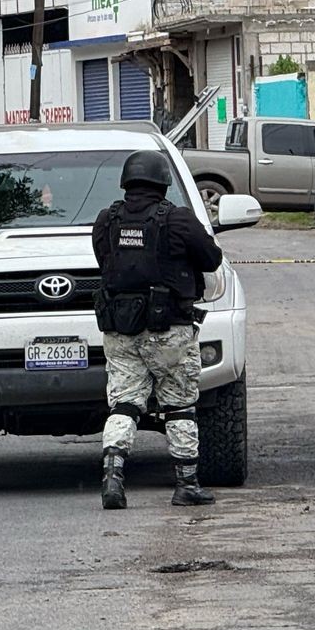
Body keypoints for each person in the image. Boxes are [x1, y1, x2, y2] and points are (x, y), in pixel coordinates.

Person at [92, 149, 224, 510]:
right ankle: (187, 484)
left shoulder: (107, 219)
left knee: (124, 402)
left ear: (126, 182)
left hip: (120, 329)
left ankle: (113, 476)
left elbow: (104, 260)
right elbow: (212, 258)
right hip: (170, 330)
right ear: (163, 183)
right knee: (179, 405)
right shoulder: (177, 219)